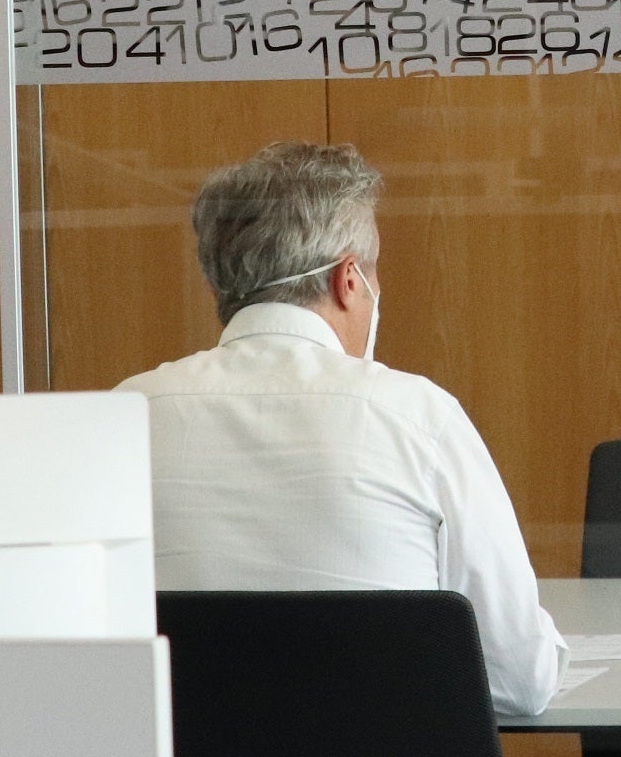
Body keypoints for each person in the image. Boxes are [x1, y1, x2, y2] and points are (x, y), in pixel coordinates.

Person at [120, 141, 567, 717]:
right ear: (349, 280)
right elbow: (520, 679)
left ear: (217, 288)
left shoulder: (124, 417)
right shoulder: (417, 417)